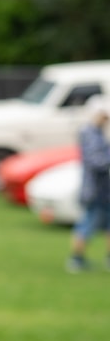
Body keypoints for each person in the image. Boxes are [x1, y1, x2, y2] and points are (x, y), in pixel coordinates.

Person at [66, 96, 110, 272]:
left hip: (105, 189)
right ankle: (76, 259)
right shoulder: (89, 132)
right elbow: (96, 161)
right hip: (95, 189)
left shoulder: (99, 132)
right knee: (87, 223)